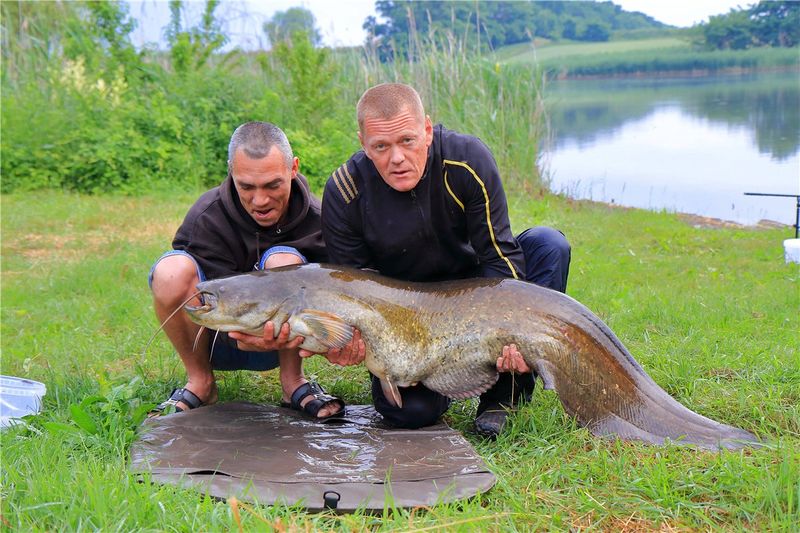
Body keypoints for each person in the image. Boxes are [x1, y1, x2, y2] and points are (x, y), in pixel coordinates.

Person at [321, 83, 571, 438]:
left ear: (427, 130)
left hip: (477, 289)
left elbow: (499, 258)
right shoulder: (345, 192)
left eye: (407, 141)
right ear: (363, 143)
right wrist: (348, 340)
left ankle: (507, 394)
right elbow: (358, 299)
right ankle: (442, 385)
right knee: (409, 413)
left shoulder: (465, 160)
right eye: (381, 146)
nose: (396, 158)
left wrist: (512, 332)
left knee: (549, 246)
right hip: (408, 317)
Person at [148, 121, 356, 419]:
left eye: (272, 185)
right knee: (171, 270)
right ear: (231, 171)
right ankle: (200, 382)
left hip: (287, 338)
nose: (260, 201)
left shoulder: (319, 219)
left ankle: (293, 382)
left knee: (284, 262)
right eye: (246, 186)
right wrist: (247, 332)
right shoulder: (206, 217)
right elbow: (194, 296)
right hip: (214, 338)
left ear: (293, 168)